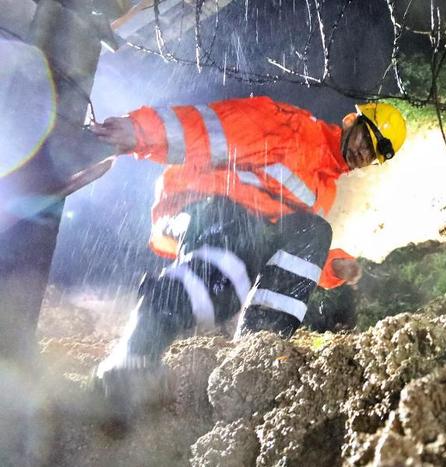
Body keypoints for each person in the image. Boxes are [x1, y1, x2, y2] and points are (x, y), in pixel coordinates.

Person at [89, 96, 407, 384]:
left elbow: (282, 241)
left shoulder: (325, 187)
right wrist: (138, 132)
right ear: (352, 122)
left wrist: (333, 267)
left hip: (243, 231)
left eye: (374, 153)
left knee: (313, 232)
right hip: (201, 205)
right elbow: (210, 127)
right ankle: (131, 356)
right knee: (227, 272)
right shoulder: (289, 126)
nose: (364, 153)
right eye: (368, 138)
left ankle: (254, 355)